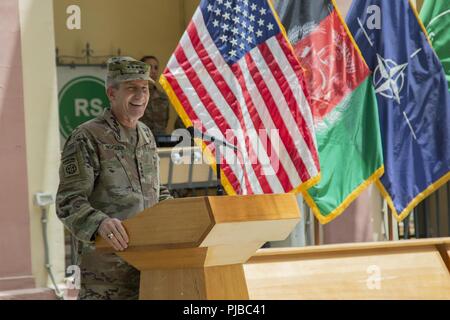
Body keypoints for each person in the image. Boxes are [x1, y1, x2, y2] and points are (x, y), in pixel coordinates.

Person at [56, 56, 172, 300]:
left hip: (147, 271)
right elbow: (68, 201)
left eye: (145, 88)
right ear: (112, 93)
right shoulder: (87, 137)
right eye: (131, 88)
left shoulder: (146, 135)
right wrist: (100, 222)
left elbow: (155, 191)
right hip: (104, 278)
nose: (141, 96)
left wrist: (178, 211)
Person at [139, 55, 170, 136]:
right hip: (140, 142)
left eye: (156, 68)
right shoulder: (134, 96)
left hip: (160, 143)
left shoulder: (163, 98)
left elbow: (165, 124)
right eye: (149, 67)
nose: (153, 71)